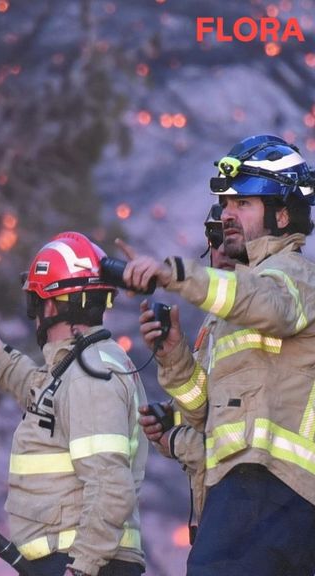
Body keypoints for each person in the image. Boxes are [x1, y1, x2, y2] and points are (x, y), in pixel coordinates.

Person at [118, 134, 315, 575]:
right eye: (225, 203)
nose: (226, 214)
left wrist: (176, 274)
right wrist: (173, 356)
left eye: (242, 203)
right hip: (241, 487)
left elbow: (267, 304)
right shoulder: (230, 310)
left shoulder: (296, 278)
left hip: (274, 485)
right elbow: (204, 411)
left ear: (282, 214)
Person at [0, 231, 147, 576]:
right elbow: (50, 403)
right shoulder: (81, 367)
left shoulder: (91, 375)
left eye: (33, 300)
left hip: (84, 563)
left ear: (48, 304)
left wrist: (81, 568)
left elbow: (110, 485)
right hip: (72, 561)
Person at [136, 203, 235, 545]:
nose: (221, 250)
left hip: (260, 517)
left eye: (231, 237)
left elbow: (243, 442)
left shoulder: (269, 318)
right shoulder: (216, 323)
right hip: (220, 513)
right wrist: (173, 355)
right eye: (214, 237)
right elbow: (206, 408)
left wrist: (178, 441)